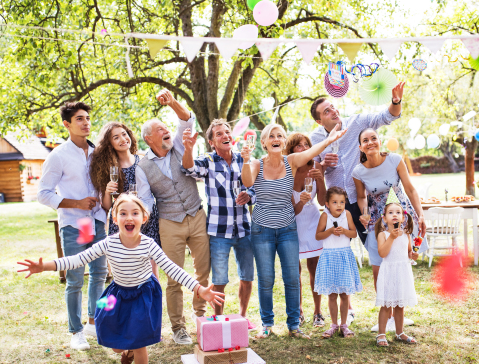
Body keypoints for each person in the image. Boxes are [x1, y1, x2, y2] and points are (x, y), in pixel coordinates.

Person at [17, 194, 224, 364]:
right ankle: (128, 349)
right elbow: (77, 260)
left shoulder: (149, 244)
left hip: (143, 294)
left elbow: (173, 269)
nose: (129, 218)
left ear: (144, 218)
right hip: (117, 294)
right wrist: (44, 266)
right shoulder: (109, 243)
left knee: (139, 342)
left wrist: (199, 289)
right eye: (123, 213)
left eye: (135, 213)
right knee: (115, 345)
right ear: (115, 219)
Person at [309, 82, 405, 326]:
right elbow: (313, 168)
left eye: (333, 107)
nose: (333, 111)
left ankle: (391, 313)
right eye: (326, 111)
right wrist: (322, 165)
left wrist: (395, 102)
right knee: (338, 255)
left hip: (362, 204)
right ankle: (347, 311)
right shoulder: (316, 137)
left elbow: (387, 117)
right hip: (335, 206)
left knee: (379, 257)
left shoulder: (357, 122)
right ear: (320, 121)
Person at [241, 123, 346, 339]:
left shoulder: (291, 162)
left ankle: (294, 326)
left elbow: (309, 152)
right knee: (266, 278)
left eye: (280, 135)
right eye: (272, 136)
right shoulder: (256, 164)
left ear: (284, 141)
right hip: (262, 230)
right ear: (264, 142)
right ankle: (267, 325)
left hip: (288, 228)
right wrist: (244, 160)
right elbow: (247, 181)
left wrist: (328, 140)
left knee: (291, 277)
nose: (276, 138)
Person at [135, 89, 210, 345]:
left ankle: (200, 317)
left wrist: (172, 102)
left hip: (197, 215)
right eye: (159, 129)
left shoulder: (178, 144)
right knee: (175, 276)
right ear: (148, 139)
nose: (166, 130)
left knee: (202, 273)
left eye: (166, 127)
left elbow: (187, 120)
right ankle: (179, 327)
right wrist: (139, 216)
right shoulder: (142, 167)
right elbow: (145, 199)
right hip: (170, 222)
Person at [37, 101, 108, 350]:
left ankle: (93, 321)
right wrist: (76, 203)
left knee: (99, 275)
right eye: (79, 119)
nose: (85, 122)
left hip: (98, 222)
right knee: (75, 278)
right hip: (75, 225)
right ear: (67, 124)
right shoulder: (58, 156)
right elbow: (43, 194)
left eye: (87, 118)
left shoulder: (99, 151)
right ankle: (76, 331)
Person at [180, 119, 256, 329]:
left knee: (247, 276)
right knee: (220, 279)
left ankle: (242, 317)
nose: (225, 136)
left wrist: (249, 195)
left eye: (227, 132)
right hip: (218, 231)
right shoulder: (207, 161)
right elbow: (188, 168)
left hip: (243, 228)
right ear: (212, 142)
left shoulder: (244, 159)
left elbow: (254, 187)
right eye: (219, 134)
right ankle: (220, 319)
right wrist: (188, 148)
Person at [352, 128, 427, 332]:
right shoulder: (358, 171)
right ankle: (388, 316)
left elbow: (410, 189)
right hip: (378, 221)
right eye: (365, 140)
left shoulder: (394, 160)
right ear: (360, 147)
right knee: (379, 270)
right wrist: (364, 213)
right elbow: (361, 197)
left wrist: (420, 215)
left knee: (400, 265)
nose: (370, 142)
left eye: (373, 138)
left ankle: (399, 317)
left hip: (401, 216)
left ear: (379, 141)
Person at [89, 121, 161, 280]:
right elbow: (108, 206)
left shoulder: (143, 161)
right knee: (125, 273)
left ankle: (153, 303)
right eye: (116, 137)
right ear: (109, 144)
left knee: (151, 271)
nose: (122, 139)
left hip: (147, 219)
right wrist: (107, 192)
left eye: (124, 134)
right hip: (122, 222)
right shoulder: (108, 168)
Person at [284, 133, 326, 327]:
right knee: (295, 272)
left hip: (313, 222)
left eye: (306, 145)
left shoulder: (316, 167)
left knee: (314, 270)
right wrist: (301, 201)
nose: (303, 148)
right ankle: (298, 312)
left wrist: (321, 180)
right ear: (291, 150)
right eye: (298, 146)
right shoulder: (287, 170)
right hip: (293, 223)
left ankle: (318, 312)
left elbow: (323, 202)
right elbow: (293, 211)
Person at [314, 187, 362, 339]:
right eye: (335, 202)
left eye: (342, 202)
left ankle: (344, 325)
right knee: (332, 294)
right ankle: (334, 324)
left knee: (344, 294)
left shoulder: (347, 214)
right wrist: (330, 231)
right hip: (329, 257)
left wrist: (344, 232)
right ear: (327, 204)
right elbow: (318, 236)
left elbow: (354, 233)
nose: (339, 205)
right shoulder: (324, 216)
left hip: (344, 256)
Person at [373, 200, 418, 347]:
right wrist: (392, 237)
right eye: (390, 212)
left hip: (402, 272)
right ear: (384, 218)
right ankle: (381, 334)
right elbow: (382, 253)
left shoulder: (406, 235)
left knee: (400, 304)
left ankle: (399, 333)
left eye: (398, 212)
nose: (394, 215)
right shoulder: (383, 235)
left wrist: (413, 254)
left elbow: (408, 252)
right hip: (389, 273)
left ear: (403, 218)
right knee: (386, 305)